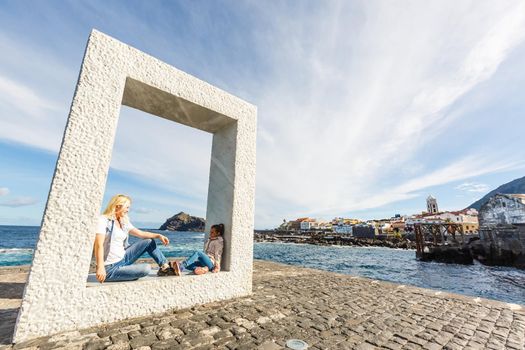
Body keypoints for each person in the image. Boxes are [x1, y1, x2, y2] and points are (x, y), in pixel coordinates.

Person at [94, 194, 176, 283]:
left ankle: (165, 267)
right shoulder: (103, 220)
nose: (128, 210)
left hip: (123, 258)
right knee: (146, 268)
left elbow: (141, 234)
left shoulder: (123, 221)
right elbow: (98, 244)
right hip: (110, 268)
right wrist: (100, 267)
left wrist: (158, 235)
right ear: (118, 206)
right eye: (127, 207)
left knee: (149, 241)